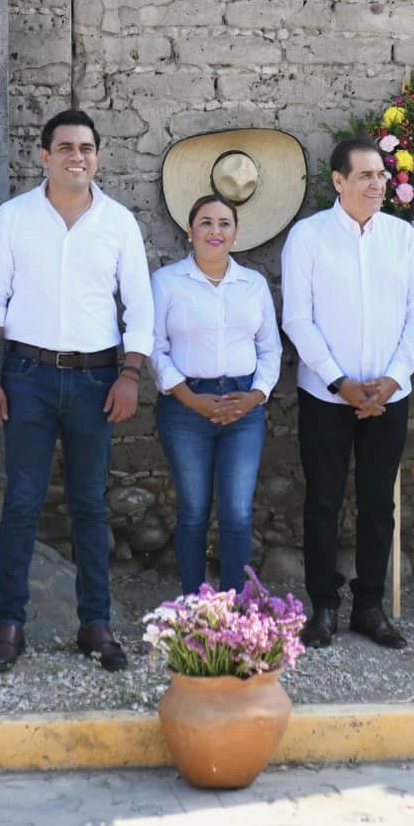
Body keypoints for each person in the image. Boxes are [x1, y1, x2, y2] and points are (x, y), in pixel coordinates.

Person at [0, 110, 153, 673]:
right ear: (44, 155)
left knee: (89, 505)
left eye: (88, 147)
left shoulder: (119, 222)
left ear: (97, 156)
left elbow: (140, 306)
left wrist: (130, 374)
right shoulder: (14, 218)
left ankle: (95, 625)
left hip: (97, 379)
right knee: (22, 503)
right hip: (26, 376)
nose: (78, 156)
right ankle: (9, 625)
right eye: (66, 146)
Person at [281, 137, 414, 651]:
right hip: (327, 397)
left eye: (382, 175)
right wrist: (340, 383)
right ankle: (323, 605)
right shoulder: (308, 237)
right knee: (323, 501)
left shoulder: (402, 237)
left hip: (388, 395)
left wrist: (391, 378)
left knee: (377, 503)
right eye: (365, 175)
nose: (377, 184)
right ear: (339, 181)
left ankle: (370, 605)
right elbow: (297, 318)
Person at [151, 192, 283, 594]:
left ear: (236, 233)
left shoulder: (253, 284)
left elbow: (270, 349)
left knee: (238, 514)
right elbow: (153, 346)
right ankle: (194, 603)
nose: (215, 231)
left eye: (224, 223)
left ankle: (233, 607)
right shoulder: (167, 281)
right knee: (192, 511)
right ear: (190, 231)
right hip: (185, 408)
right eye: (206, 222)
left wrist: (256, 395)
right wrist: (191, 399)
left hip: (244, 409)